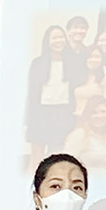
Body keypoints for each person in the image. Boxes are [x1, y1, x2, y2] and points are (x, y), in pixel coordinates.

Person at [27, 26, 77, 169]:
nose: (58, 41)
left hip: (62, 112)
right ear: (47, 41)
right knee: (36, 157)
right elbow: (32, 93)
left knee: (55, 157)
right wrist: (29, 119)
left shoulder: (71, 63)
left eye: (61, 37)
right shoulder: (38, 63)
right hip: (41, 113)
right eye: (54, 38)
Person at [64, 96, 106, 176]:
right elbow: (66, 163)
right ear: (88, 115)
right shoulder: (80, 134)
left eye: (103, 111)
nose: (99, 116)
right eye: (94, 113)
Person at [72, 46, 106, 117]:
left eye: (97, 57)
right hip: (76, 117)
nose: (93, 60)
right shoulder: (77, 77)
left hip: (95, 119)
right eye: (90, 57)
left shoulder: (105, 79)